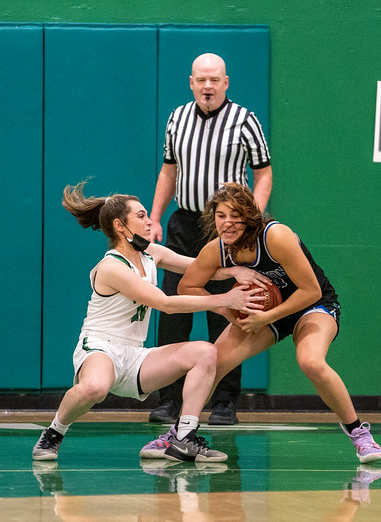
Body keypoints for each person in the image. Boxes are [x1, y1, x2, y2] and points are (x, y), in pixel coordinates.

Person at [141, 183, 381, 464]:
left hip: (311, 305)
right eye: (221, 215)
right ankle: (179, 434)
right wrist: (226, 308)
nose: (227, 223)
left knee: (311, 361)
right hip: (265, 312)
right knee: (213, 361)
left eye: (235, 215)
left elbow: (311, 290)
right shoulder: (218, 249)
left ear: (249, 216)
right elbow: (187, 286)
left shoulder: (275, 236)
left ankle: (359, 434)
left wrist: (267, 318)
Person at [32, 182, 265, 464]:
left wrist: (234, 271)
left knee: (206, 352)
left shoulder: (151, 253)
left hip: (135, 356)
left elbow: (196, 267)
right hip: (100, 348)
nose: (149, 221)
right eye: (141, 216)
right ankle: (54, 432)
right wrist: (225, 299)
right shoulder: (112, 267)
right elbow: (165, 303)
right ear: (120, 226)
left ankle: (183, 438)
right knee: (95, 388)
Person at [149, 52, 272, 426]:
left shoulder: (245, 120)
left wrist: (249, 220)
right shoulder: (177, 118)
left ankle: (224, 402)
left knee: (229, 311)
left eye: (214, 80)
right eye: (201, 80)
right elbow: (168, 171)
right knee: (174, 310)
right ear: (191, 82)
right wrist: (154, 217)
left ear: (225, 82)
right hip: (184, 224)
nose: (207, 86)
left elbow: (264, 175)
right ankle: (169, 398)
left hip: (227, 228)